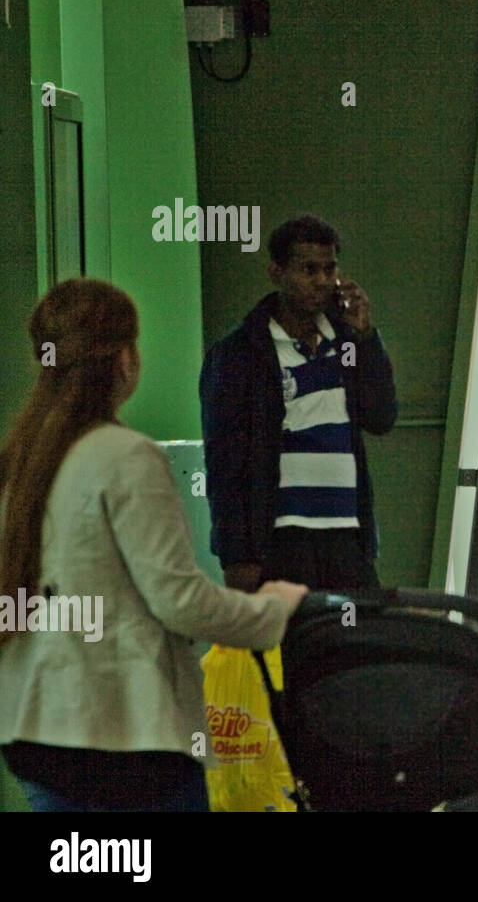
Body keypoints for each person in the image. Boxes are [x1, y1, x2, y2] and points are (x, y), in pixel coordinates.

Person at [0, 279, 307, 811]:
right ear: (123, 359)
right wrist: (271, 612)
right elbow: (179, 602)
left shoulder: (20, 462)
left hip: (33, 733)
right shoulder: (126, 456)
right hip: (124, 742)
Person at [200, 215, 398, 593]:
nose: (322, 281)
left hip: (346, 538)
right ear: (277, 272)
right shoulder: (241, 354)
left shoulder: (346, 345)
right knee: (289, 647)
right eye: (308, 269)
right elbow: (225, 464)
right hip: (280, 542)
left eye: (329, 269)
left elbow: (380, 416)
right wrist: (237, 557)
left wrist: (365, 336)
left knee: (357, 643)